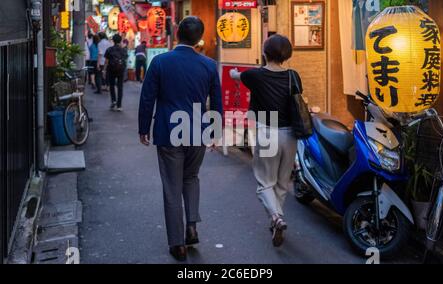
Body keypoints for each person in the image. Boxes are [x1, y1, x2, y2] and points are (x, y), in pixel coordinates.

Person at [138, 16, 222, 261]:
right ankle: (192, 225)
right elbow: (216, 101)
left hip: (168, 130)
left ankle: (177, 244)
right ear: (199, 37)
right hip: (198, 130)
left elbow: (147, 98)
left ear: (176, 33)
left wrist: (144, 128)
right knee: (191, 177)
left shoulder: (160, 62)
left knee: (172, 186)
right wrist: (216, 132)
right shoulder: (208, 65)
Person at [230, 34, 303, 248]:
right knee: (282, 183)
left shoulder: (255, 75)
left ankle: (276, 218)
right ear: (287, 54)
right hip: (290, 135)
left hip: (267, 132)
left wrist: (235, 71)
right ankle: (276, 220)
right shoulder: (294, 76)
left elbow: (236, 75)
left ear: (265, 52)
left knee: (264, 184)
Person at [104, 34, 128, 112]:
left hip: (111, 69)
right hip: (120, 70)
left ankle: (113, 101)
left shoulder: (109, 50)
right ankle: (119, 105)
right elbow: (125, 60)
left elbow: (106, 61)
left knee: (112, 85)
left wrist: (104, 70)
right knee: (120, 87)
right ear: (120, 41)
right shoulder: (123, 50)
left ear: (113, 41)